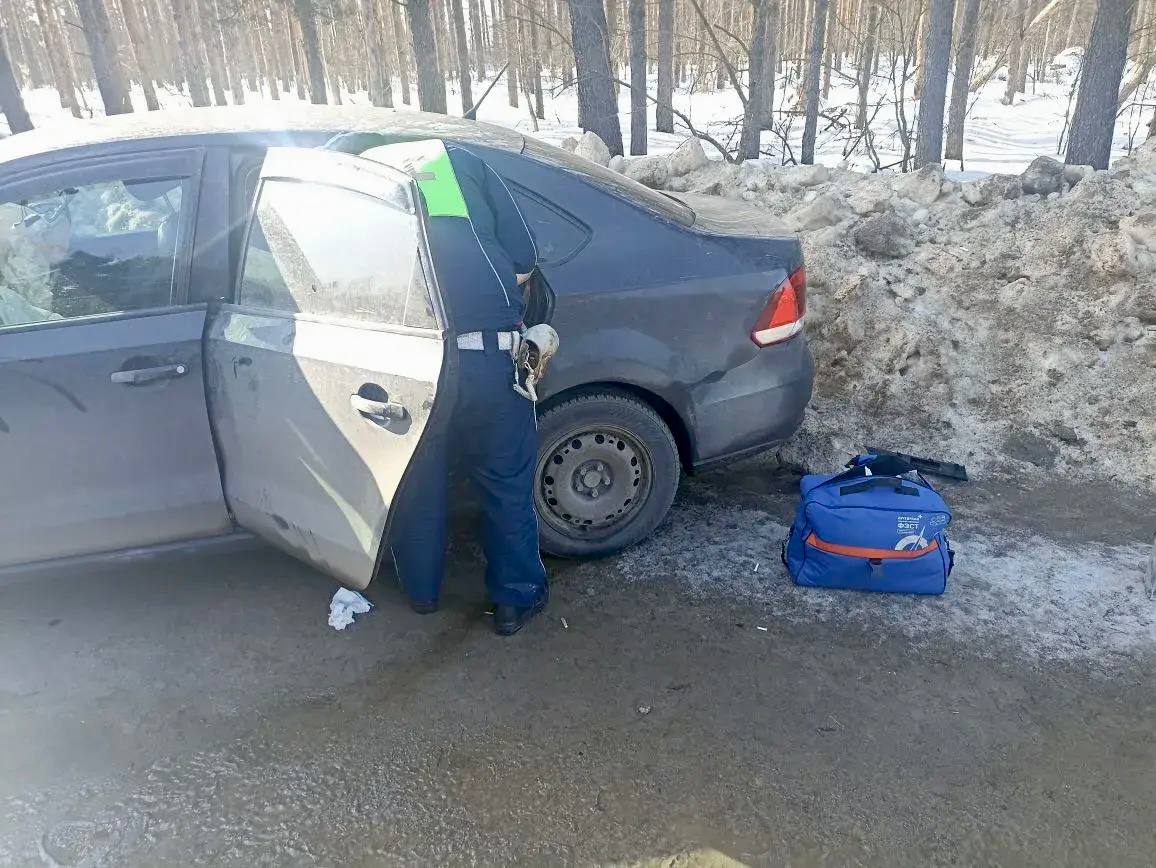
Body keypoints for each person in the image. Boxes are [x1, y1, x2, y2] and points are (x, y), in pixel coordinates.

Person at [325, 133, 549, 636]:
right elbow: (522, 256)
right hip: (491, 360)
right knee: (505, 482)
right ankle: (514, 601)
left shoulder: (347, 191)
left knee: (417, 481)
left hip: (409, 364)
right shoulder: (448, 161)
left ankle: (423, 595)